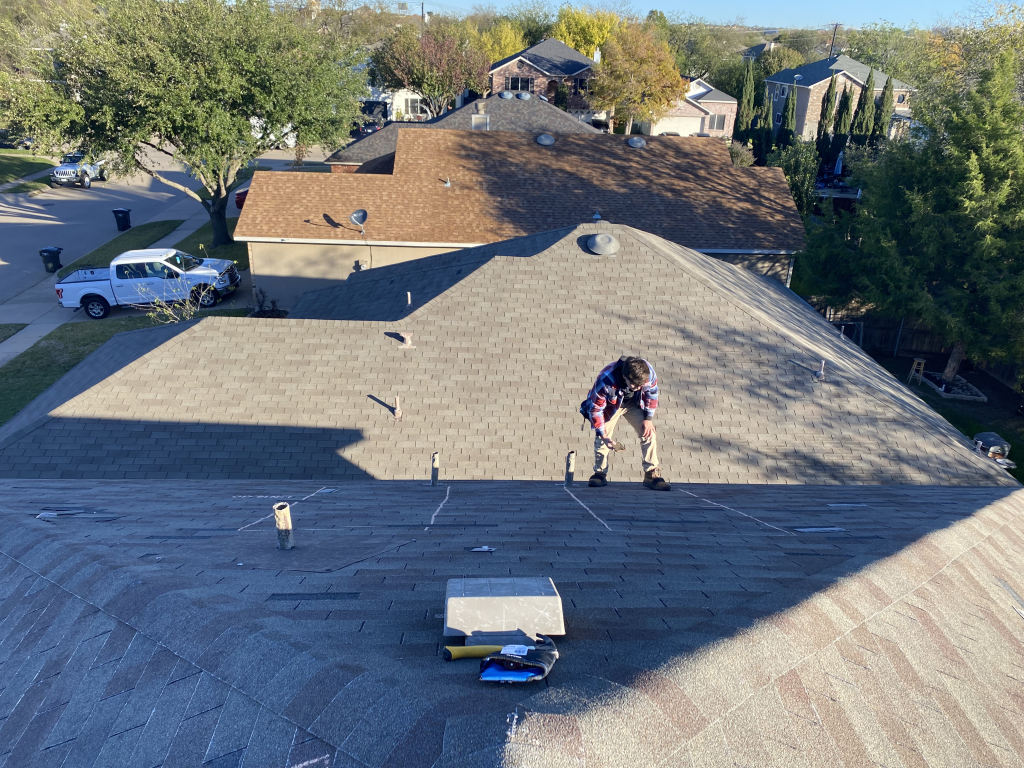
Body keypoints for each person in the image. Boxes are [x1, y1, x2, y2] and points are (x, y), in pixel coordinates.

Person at [581, 356, 671, 490]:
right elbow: (596, 409)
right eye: (635, 385)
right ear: (624, 377)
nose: (639, 387)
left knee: (648, 432)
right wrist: (603, 435)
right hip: (610, 406)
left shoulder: (648, 373)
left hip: (634, 404)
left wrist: (648, 419)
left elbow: (652, 394)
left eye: (641, 385)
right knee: (602, 436)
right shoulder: (606, 379)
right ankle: (599, 473)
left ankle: (651, 474)